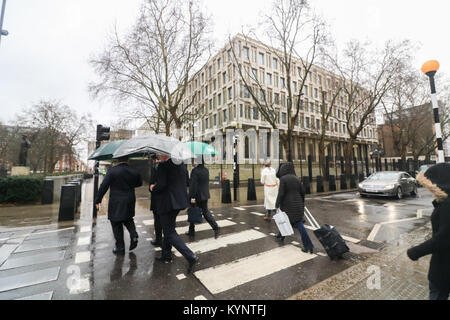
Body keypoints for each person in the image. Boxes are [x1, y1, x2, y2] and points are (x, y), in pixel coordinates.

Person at [407, 163, 450, 300]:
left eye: (429, 186)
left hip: (443, 269)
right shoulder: (444, 203)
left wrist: (416, 251)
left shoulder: (447, 205)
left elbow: (444, 237)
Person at [150, 155, 199, 273]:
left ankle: (190, 256)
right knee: (169, 228)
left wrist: (153, 188)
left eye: (160, 154)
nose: (158, 156)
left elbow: (161, 185)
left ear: (165, 154)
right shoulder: (182, 165)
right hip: (179, 202)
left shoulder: (163, 166)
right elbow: (187, 182)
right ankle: (166, 255)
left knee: (169, 232)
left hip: (167, 203)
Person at [95, 156, 143, 255]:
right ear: (128, 160)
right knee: (128, 218)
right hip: (129, 199)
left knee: (116, 222)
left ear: (117, 160)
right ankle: (133, 234)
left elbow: (104, 186)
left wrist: (98, 200)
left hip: (116, 200)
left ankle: (120, 247)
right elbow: (139, 183)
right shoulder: (134, 170)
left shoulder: (112, 171)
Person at [275, 162, 314, 254]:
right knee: (289, 220)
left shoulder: (283, 179)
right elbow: (303, 192)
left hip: (288, 205)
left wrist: (277, 204)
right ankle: (280, 235)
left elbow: (281, 193)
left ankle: (308, 245)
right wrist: (302, 203)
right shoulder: (297, 178)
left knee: (291, 222)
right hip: (298, 204)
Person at [186, 158, 220, 238]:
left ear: (197, 161)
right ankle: (215, 226)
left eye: (193, 161)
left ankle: (191, 231)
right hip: (205, 195)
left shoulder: (195, 171)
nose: (192, 162)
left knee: (192, 211)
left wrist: (192, 197)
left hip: (197, 196)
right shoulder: (206, 170)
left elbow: (193, 186)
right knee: (205, 212)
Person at [149, 155, 162, 247]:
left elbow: (152, 183)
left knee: (157, 220)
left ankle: (158, 239)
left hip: (157, 198)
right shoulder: (169, 166)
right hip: (166, 199)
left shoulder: (155, 168)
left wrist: (152, 187)